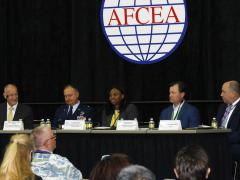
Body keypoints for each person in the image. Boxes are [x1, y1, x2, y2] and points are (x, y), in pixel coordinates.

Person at [216, 80, 240, 162]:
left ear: (233, 94)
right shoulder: (222, 107)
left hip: (234, 144)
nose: (221, 94)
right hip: (220, 142)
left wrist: (223, 139)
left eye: (223, 92)